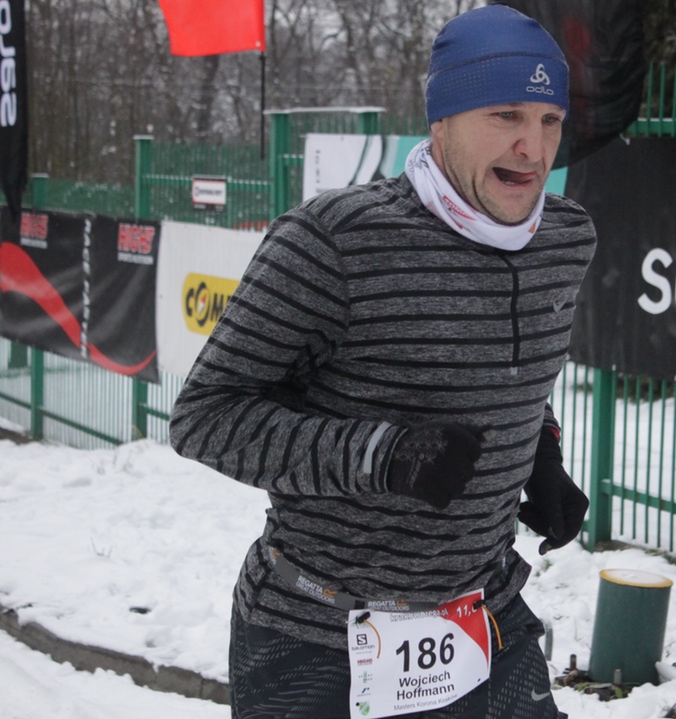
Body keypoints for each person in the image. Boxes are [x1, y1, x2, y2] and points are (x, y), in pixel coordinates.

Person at [168, 5, 596, 719]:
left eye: (550, 120)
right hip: (319, 635)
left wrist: (539, 453)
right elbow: (206, 418)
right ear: (442, 120)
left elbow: (506, 369)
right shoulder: (333, 241)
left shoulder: (564, 240)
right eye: (506, 115)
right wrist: (384, 456)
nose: (533, 146)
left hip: (481, 621)